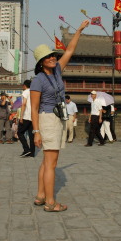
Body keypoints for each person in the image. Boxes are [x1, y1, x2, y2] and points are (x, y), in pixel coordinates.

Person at [30, 19, 89, 212]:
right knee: (52, 164)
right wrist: (36, 131)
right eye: (48, 57)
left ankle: (40, 196)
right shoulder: (38, 80)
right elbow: (34, 108)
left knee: (47, 162)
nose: (52, 58)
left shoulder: (56, 71)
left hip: (58, 118)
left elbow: (70, 51)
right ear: (41, 62)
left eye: (53, 55)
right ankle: (50, 202)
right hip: (47, 119)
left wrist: (79, 30)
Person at [18, 80, 35, 157]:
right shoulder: (34, 92)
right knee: (31, 135)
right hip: (33, 116)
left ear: (24, 85)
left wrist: (21, 116)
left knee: (20, 132)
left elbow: (24, 104)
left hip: (26, 116)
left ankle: (26, 149)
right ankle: (32, 152)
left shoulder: (26, 92)